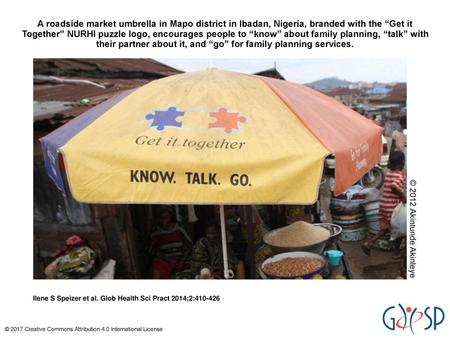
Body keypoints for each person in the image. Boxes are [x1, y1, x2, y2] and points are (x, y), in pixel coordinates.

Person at [362, 151, 406, 257]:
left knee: (385, 228)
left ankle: (369, 243)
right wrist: (403, 197)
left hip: (383, 205)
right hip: (392, 208)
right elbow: (394, 186)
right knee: (398, 230)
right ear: (402, 164)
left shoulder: (389, 173)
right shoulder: (399, 176)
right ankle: (396, 253)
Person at [149, 206, 192, 279]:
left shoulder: (179, 229)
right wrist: (169, 261)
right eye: (161, 218)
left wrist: (181, 261)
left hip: (181, 260)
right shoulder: (156, 233)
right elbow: (152, 251)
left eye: (166, 218)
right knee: (156, 270)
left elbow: (189, 247)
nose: (163, 221)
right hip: (165, 261)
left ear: (171, 217)